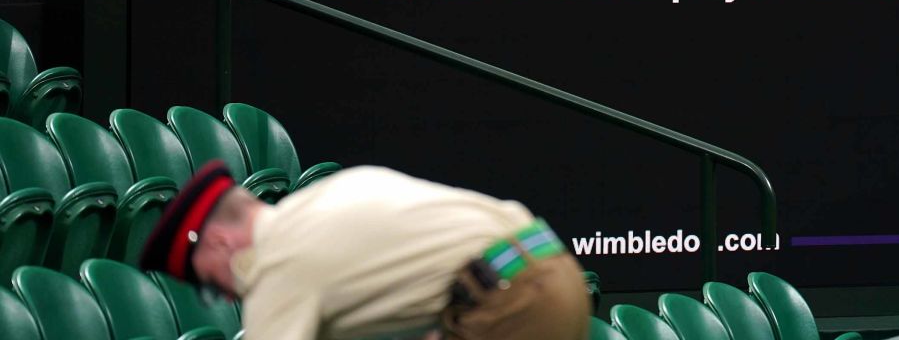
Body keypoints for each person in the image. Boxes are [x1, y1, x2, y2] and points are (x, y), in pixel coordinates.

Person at [140, 161, 591, 340]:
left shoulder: (279, 264)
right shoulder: (331, 192)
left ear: (219, 242)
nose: (225, 295)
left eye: (209, 281)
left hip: (513, 301)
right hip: (551, 269)